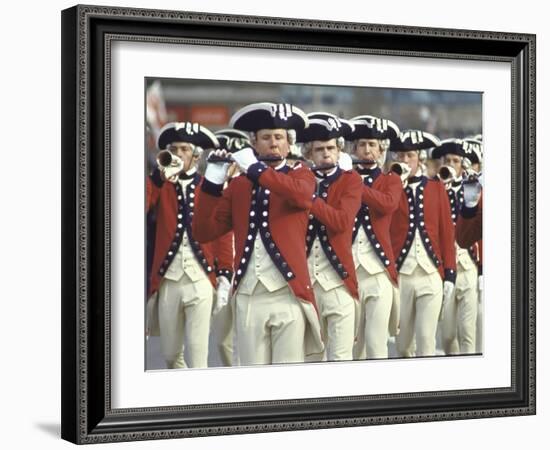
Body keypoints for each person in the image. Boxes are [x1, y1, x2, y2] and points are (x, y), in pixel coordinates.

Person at [193, 102, 324, 365]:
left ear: (290, 144)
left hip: (289, 293)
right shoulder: (240, 185)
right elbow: (204, 231)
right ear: (254, 143)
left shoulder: (302, 175)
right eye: (266, 138)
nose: (274, 144)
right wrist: (211, 184)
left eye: (279, 138)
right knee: (253, 379)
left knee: (288, 377)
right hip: (249, 294)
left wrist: (255, 170)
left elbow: (300, 196)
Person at [146, 121, 232, 369]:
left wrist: (225, 273)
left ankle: (198, 401)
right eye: (174, 149)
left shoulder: (210, 186)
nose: (178, 154)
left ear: (196, 156)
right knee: (171, 355)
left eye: (184, 149)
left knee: (198, 355)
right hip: (169, 280)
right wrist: (157, 177)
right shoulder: (161, 185)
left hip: (201, 279)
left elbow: (222, 234)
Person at [297, 112, 362, 361]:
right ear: (308, 154)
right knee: (310, 359)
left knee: (341, 359)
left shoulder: (350, 181)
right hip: (305, 286)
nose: (326, 153)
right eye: (319, 149)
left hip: (339, 284)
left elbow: (341, 222)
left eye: (331, 148)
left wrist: (310, 199)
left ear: (339, 151)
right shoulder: (299, 181)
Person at [390, 130, 457, 357]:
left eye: (409, 155)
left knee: (427, 340)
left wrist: (449, 274)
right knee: (403, 345)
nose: (404, 161)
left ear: (419, 158)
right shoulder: (390, 189)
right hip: (402, 275)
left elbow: (447, 232)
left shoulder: (436, 188)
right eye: (400, 156)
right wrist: (394, 185)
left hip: (431, 273)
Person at [346, 115, 402, 359]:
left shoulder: (391, 179)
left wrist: (355, 183)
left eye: (372, 145)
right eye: (361, 145)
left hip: (378, 272)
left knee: (376, 344)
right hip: (347, 270)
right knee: (350, 346)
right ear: (354, 148)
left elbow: (387, 205)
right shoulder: (343, 179)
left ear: (381, 150)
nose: (366, 150)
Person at [431, 139, 480, 355]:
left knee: (467, 331)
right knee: (448, 334)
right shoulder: (434, 187)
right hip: (445, 266)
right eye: (447, 160)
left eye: (455, 161)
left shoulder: (471, 186)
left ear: (463, 164)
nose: (451, 164)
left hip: (468, 263)